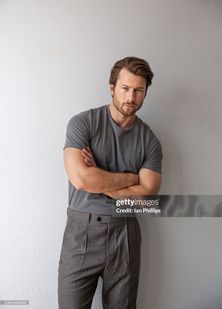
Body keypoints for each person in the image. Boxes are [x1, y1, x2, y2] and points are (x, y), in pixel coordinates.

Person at [58, 56, 163, 309]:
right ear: (112, 88)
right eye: (125, 88)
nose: (131, 97)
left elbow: (147, 197)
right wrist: (131, 178)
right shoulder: (83, 123)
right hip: (81, 230)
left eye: (139, 90)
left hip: (125, 232)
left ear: (145, 92)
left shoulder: (149, 140)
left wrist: (100, 177)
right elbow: (82, 179)